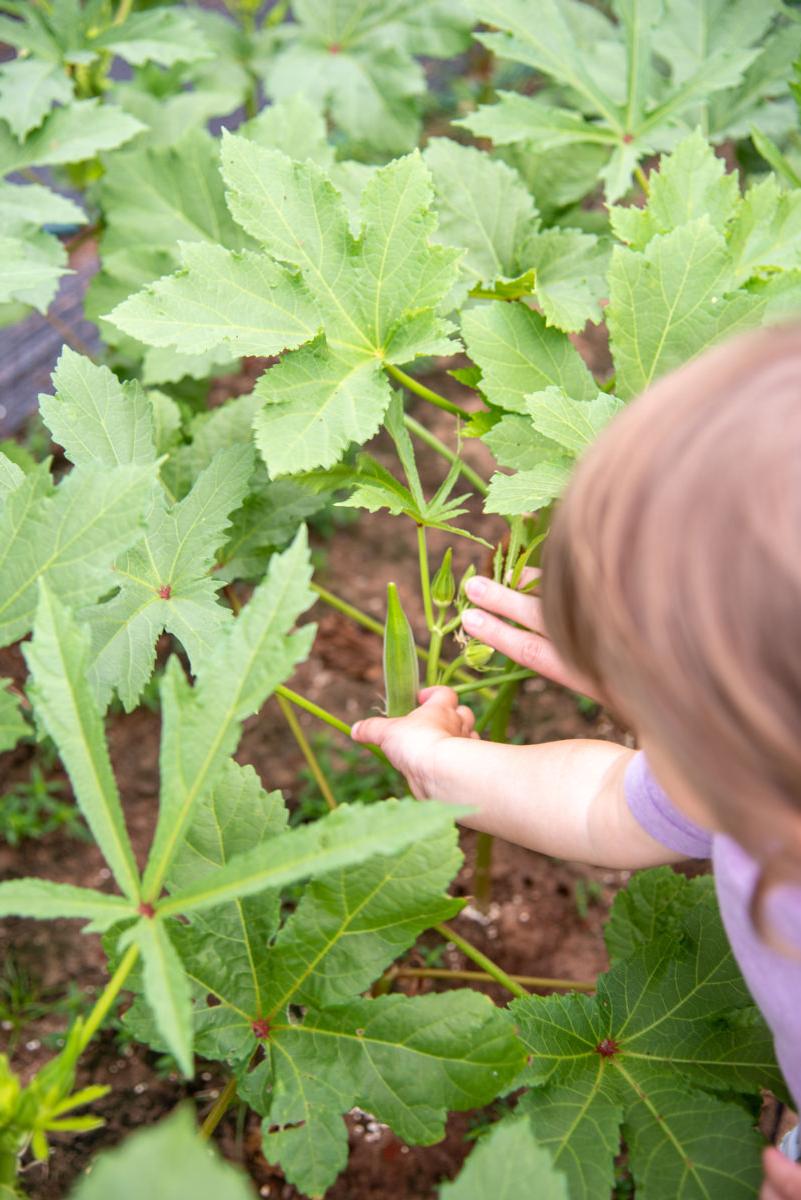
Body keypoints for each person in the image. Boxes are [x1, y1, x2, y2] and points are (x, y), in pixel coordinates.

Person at [351, 324, 801, 1200]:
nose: (634, 729)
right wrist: (446, 769)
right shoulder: (750, 770)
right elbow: (604, 801)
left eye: (650, 710)